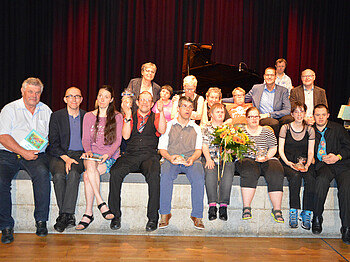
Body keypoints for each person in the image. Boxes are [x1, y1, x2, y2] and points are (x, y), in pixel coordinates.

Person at [0, 78, 52, 244]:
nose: (34, 95)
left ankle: (41, 221)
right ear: (22, 91)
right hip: (9, 155)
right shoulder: (10, 109)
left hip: (35, 155)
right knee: (0, 181)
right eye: (30, 91)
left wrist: (46, 142)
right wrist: (23, 152)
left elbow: (51, 135)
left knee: (43, 174)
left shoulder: (46, 110)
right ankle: (6, 227)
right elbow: (3, 137)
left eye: (37, 92)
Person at [108, 91, 166, 232]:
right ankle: (115, 215)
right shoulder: (130, 116)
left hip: (149, 155)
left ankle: (153, 218)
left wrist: (161, 111)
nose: (145, 102)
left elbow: (162, 130)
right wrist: (127, 116)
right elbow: (126, 136)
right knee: (115, 172)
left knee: (154, 175)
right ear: (138, 102)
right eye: (142, 100)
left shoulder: (156, 116)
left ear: (152, 104)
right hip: (131, 154)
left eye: (148, 100)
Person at [75, 85, 123, 230]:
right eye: (100, 95)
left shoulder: (117, 116)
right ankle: (101, 202)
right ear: (97, 97)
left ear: (111, 100)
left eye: (106, 97)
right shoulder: (89, 116)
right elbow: (85, 139)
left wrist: (107, 155)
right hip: (92, 156)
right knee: (89, 163)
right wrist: (89, 151)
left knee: (87, 176)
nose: (102, 99)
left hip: (108, 157)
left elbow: (118, 140)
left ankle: (88, 213)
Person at [158, 96, 205, 230]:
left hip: (191, 160)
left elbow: (198, 150)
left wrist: (192, 158)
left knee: (198, 178)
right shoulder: (168, 126)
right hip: (171, 158)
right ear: (178, 109)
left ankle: (197, 215)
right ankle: (165, 213)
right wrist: (170, 157)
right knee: (165, 176)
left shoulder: (196, 128)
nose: (188, 109)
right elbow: (162, 149)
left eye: (190, 107)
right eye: (184, 106)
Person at [236, 107, 285, 223]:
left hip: (266, 157)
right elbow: (235, 148)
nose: (254, 119)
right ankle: (246, 208)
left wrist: (267, 157)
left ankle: (277, 209)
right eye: (251, 116)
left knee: (277, 170)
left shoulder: (267, 131)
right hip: (247, 159)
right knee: (249, 169)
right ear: (246, 119)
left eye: (256, 116)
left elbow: (273, 148)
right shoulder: (240, 131)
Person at [48, 87, 86, 233]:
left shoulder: (86, 116)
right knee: (58, 175)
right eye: (70, 96)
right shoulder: (56, 117)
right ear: (65, 99)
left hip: (79, 155)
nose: (74, 99)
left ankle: (64, 216)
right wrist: (66, 158)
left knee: (74, 173)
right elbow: (54, 143)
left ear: (81, 99)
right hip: (60, 154)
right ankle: (68, 215)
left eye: (77, 96)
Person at [311, 104, 350, 245]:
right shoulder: (310, 131)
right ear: (313, 116)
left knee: (346, 188)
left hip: (341, 165)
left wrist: (338, 156)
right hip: (323, 165)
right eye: (317, 115)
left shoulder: (338, 129)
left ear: (328, 115)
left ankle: (346, 227)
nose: (320, 117)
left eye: (323, 114)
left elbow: (348, 148)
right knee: (321, 181)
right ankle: (317, 217)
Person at [278, 102, 316, 230]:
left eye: (302, 112)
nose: (299, 114)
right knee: (295, 177)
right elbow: (280, 150)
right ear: (292, 114)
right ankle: (293, 211)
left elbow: (311, 151)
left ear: (305, 113)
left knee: (311, 179)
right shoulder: (285, 128)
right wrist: (288, 162)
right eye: (296, 112)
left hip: (304, 162)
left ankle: (307, 212)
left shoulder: (310, 130)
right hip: (287, 162)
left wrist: (308, 165)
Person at [202, 103, 235, 221]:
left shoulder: (229, 129)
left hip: (225, 158)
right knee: (210, 172)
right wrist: (208, 159)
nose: (221, 114)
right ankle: (212, 206)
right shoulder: (206, 128)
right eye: (218, 112)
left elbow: (233, 145)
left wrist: (230, 149)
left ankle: (223, 206)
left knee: (228, 173)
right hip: (210, 157)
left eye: (222, 112)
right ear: (211, 114)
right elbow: (204, 145)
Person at [245, 67, 293, 137]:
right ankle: (276, 145)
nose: (269, 77)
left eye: (272, 75)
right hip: (263, 117)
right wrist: (223, 99)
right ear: (264, 77)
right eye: (267, 75)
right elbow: (243, 98)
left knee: (289, 119)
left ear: (275, 77)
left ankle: (286, 144)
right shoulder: (256, 88)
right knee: (274, 123)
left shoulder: (283, 90)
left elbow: (287, 110)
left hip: (277, 116)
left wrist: (269, 115)